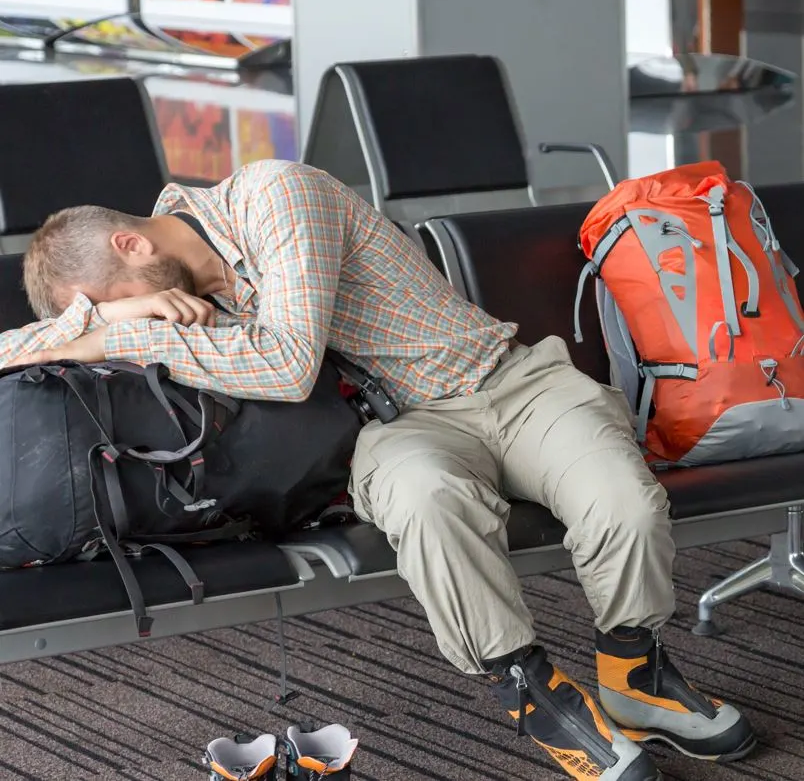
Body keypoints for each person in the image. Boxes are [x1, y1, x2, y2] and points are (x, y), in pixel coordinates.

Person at [1, 160, 755, 781]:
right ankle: (533, 694)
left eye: (116, 305)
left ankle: (634, 671)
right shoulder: (178, 300)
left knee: (622, 501)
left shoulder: (273, 195)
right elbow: (13, 349)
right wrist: (118, 321)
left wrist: (126, 340)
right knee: (426, 503)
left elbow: (290, 366)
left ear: (132, 247)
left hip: (509, 383)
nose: (138, 322)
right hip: (396, 433)